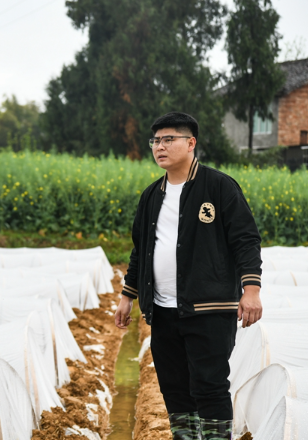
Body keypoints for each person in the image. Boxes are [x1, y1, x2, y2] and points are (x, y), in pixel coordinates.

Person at [114, 112, 262, 440]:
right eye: (155, 141)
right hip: (163, 313)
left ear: (190, 142)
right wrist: (128, 296)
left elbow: (246, 239)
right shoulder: (152, 196)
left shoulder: (219, 187)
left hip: (209, 310)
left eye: (169, 139)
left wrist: (251, 289)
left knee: (209, 387)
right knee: (175, 390)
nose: (159, 147)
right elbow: (141, 250)